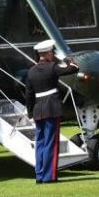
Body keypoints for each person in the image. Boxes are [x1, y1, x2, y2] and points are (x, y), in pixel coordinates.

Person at [25, 40, 79, 184]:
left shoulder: (31, 71)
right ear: (48, 53)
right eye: (52, 53)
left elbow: (29, 95)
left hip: (38, 110)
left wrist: (30, 113)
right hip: (52, 109)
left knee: (40, 143)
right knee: (50, 143)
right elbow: (74, 68)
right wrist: (65, 58)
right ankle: (49, 176)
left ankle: (39, 175)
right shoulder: (52, 67)